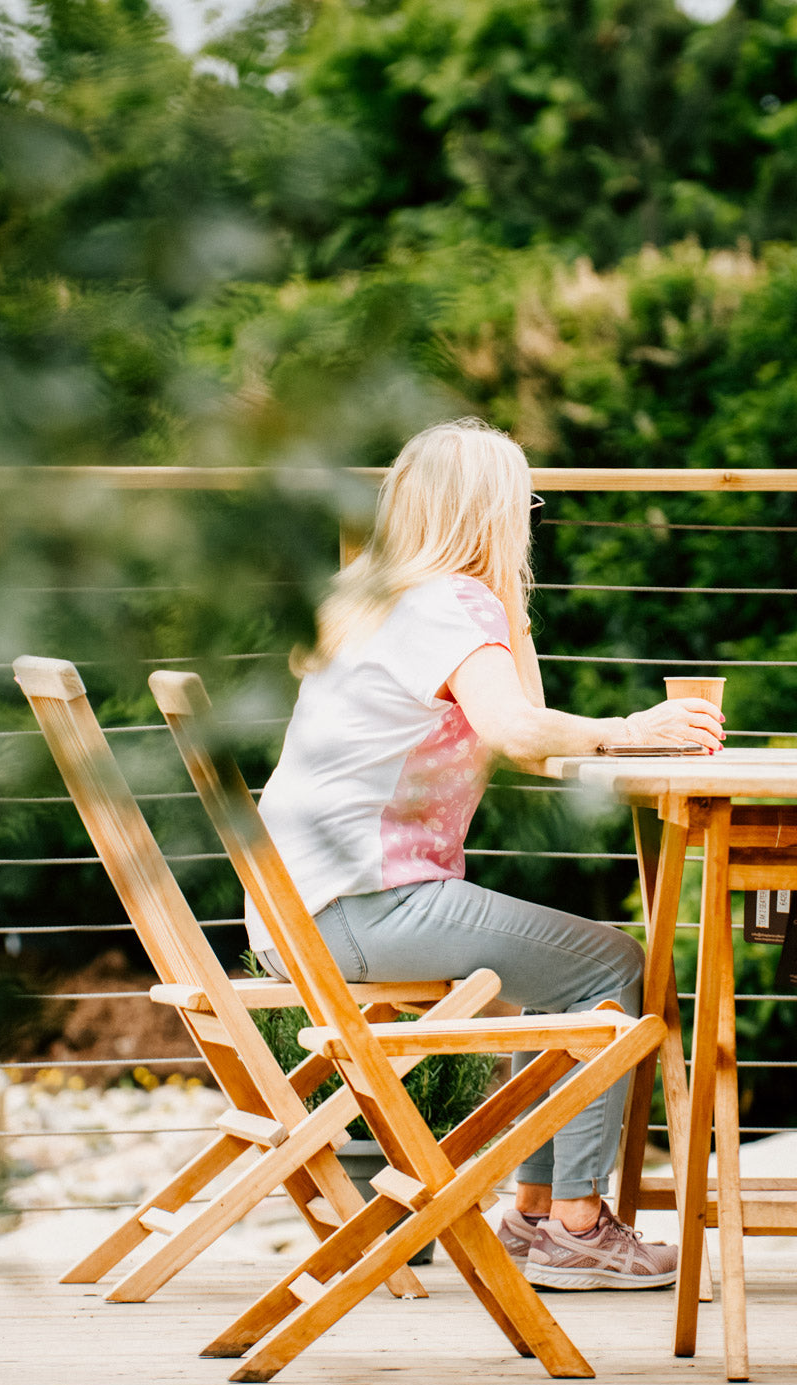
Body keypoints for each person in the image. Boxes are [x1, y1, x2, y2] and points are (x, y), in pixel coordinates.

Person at [244, 419, 724, 1290]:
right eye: (521, 503)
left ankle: (539, 1219)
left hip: (305, 911)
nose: (528, 518)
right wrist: (632, 729)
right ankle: (574, 1222)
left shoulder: (373, 596)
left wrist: (511, 606)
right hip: (364, 908)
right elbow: (514, 728)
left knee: (554, 974)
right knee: (613, 963)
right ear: (491, 511)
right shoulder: (444, 605)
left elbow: (527, 737)